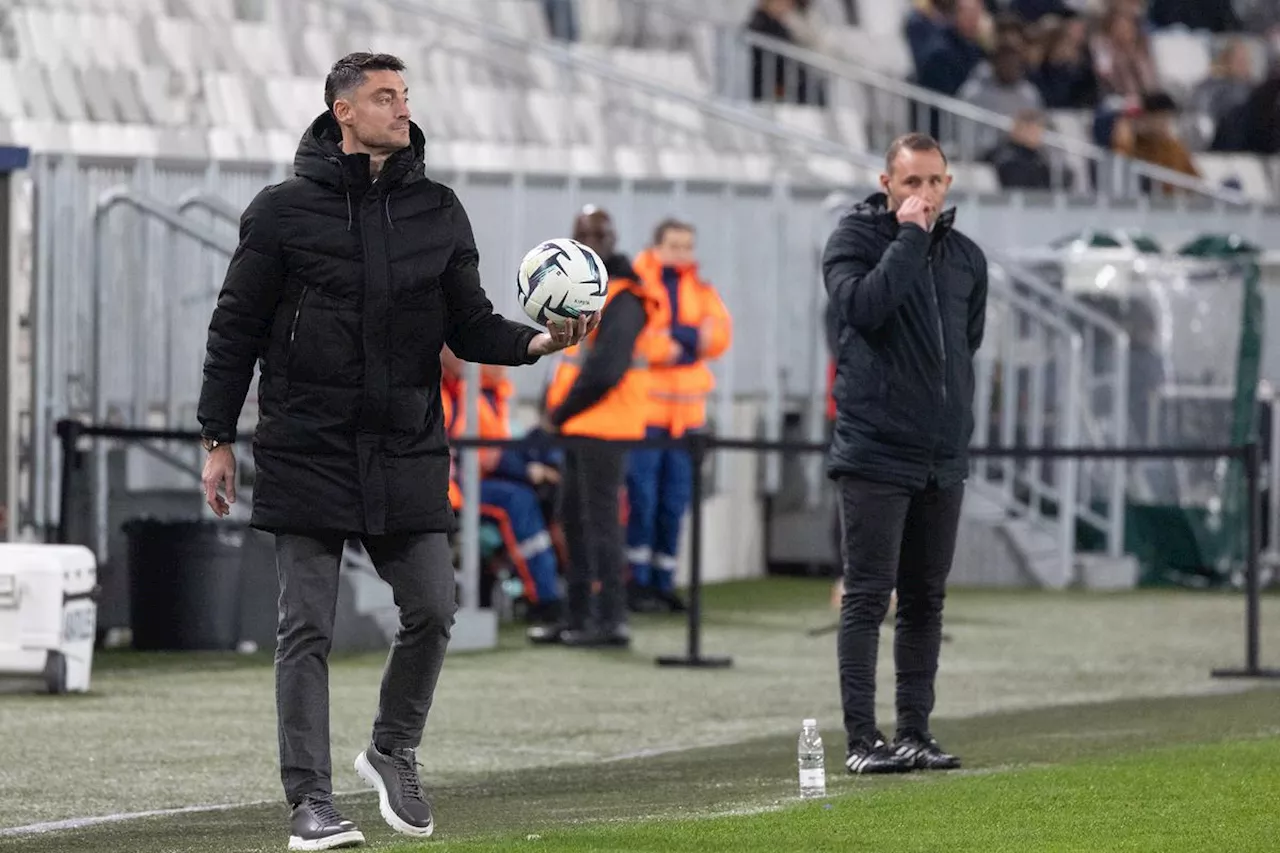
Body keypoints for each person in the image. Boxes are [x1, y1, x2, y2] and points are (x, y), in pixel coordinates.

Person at [196, 52, 594, 851]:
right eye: (383, 97)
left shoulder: (440, 210)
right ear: (341, 111)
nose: (400, 108)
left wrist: (538, 343)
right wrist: (217, 438)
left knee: (435, 610)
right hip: (306, 444)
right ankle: (309, 799)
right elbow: (233, 329)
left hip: (407, 443)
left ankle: (391, 747)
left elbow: (470, 322)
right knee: (305, 626)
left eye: (405, 95)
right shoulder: (278, 212)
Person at [821, 132, 988, 775]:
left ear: (949, 185)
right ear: (887, 183)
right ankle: (864, 741)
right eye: (912, 181)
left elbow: (966, 345)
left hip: (941, 455)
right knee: (868, 598)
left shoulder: (967, 258)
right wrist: (911, 237)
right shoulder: (853, 241)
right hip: (874, 450)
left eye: (935, 182)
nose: (924, 194)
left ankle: (915, 731)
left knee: (926, 601)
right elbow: (864, 308)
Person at [537, 206, 677, 647]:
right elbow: (569, 361)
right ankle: (577, 617)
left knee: (599, 523)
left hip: (606, 423)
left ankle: (610, 618)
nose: (592, 240)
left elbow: (605, 369)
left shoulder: (625, 296)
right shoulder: (583, 292)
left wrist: (556, 414)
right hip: (580, 424)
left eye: (599, 233)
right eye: (584, 234)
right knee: (573, 520)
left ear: (612, 239)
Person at [626, 221, 732, 613]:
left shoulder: (700, 289)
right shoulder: (637, 287)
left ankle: (663, 582)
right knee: (642, 501)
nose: (681, 254)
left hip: (687, 417)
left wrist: (678, 338)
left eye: (687, 246)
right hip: (646, 415)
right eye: (673, 246)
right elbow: (642, 341)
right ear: (655, 247)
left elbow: (719, 336)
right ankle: (635, 583)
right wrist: (687, 338)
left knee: (674, 504)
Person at [440, 348, 566, 625]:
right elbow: (481, 456)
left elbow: (497, 451)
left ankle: (565, 588)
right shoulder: (459, 390)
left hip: (478, 481)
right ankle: (544, 599)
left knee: (548, 491)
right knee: (518, 500)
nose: (502, 366)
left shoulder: (495, 394)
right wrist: (526, 469)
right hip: (454, 487)